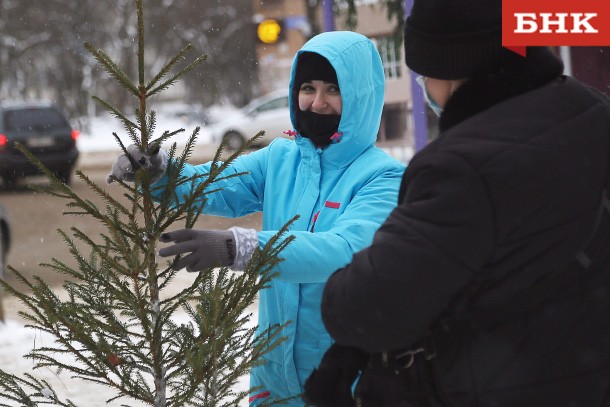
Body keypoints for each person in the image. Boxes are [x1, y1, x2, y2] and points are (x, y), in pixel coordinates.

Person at [311, 1, 610, 406]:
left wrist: (341, 289)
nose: (424, 85)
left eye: (425, 74)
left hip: (497, 384)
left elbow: (369, 306)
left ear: (452, 70)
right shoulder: (590, 108)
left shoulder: (461, 168)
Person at [108, 31, 405, 406]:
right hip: (272, 375)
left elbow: (343, 252)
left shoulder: (383, 177)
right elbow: (213, 183)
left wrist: (241, 248)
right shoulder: (281, 158)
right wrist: (160, 173)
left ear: (359, 96)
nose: (317, 102)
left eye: (333, 89)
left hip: (344, 380)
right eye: (307, 87)